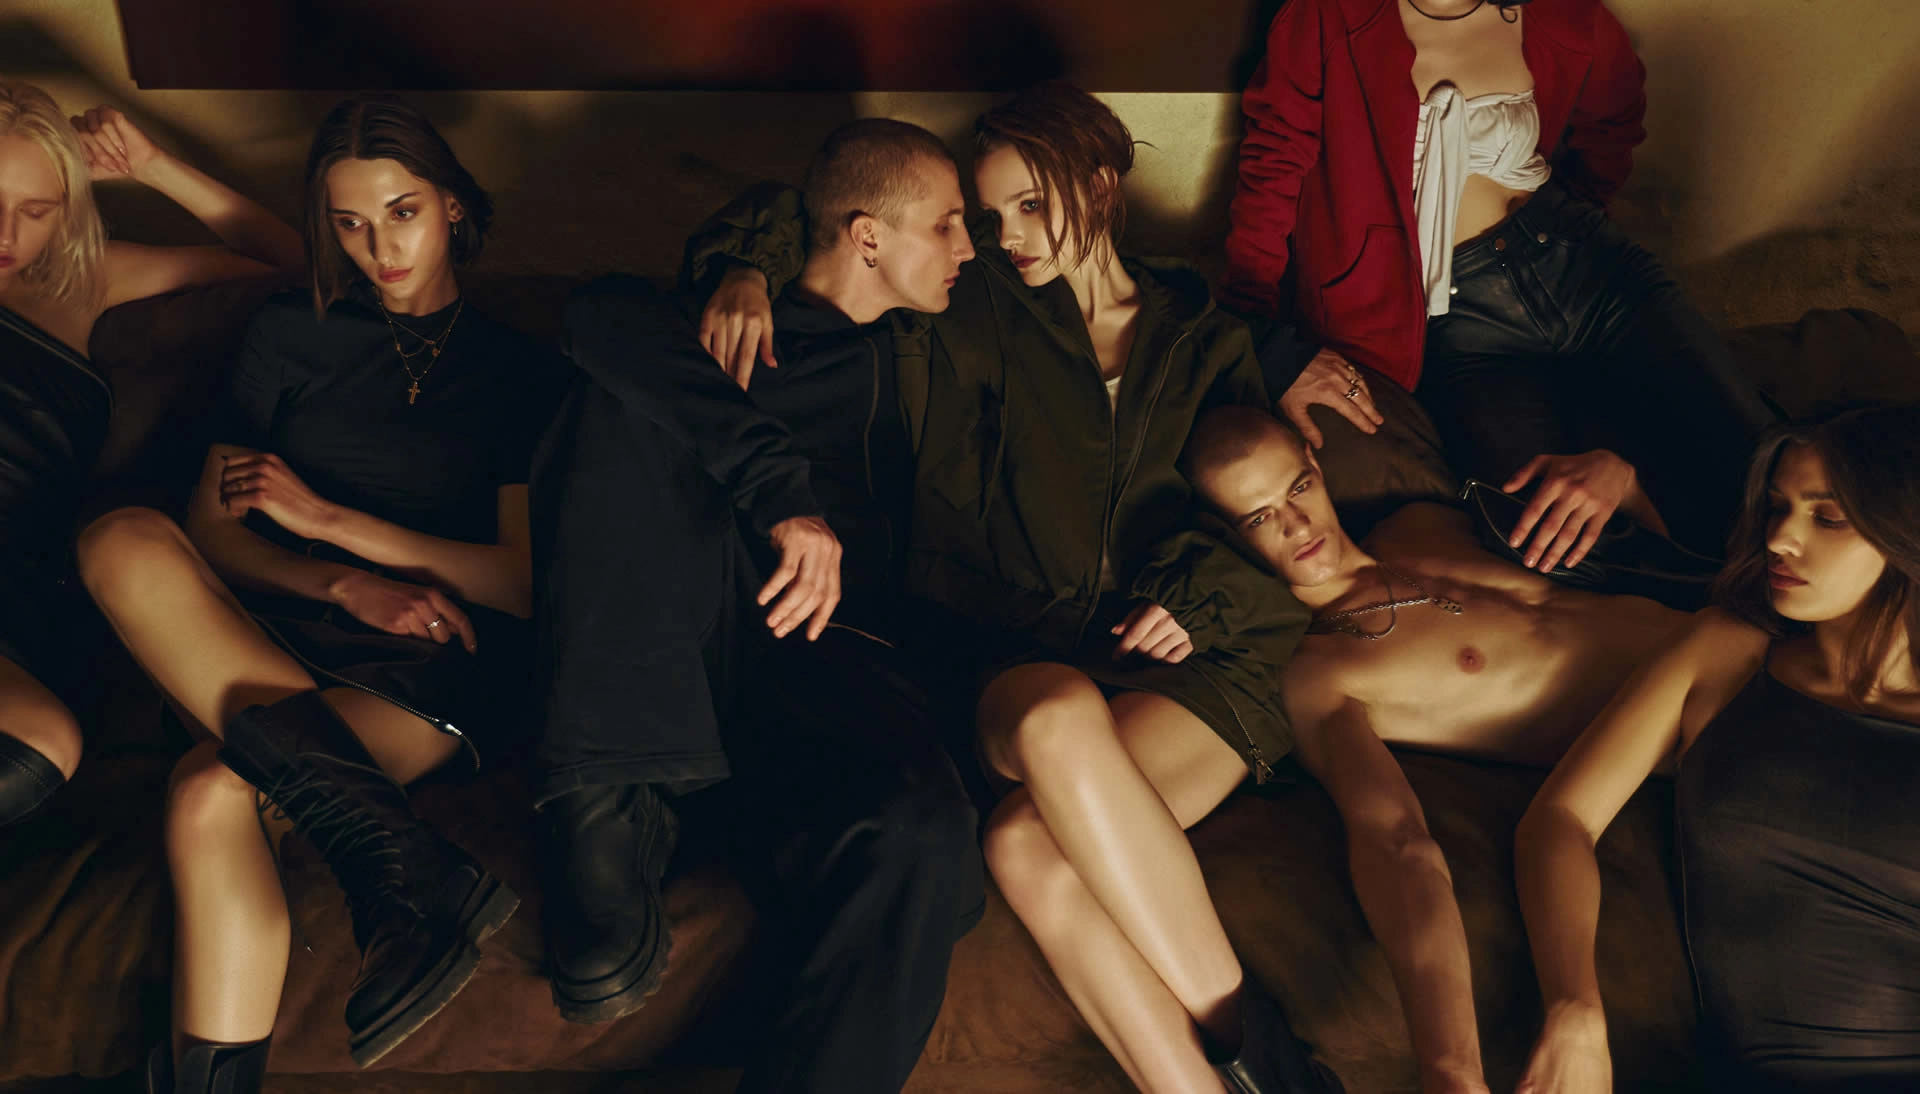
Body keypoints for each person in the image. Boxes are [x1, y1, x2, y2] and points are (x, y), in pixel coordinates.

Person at [692, 85, 1321, 1094]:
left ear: (1101, 187)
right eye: (988, 215)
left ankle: (1248, 1064)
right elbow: (830, 211)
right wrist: (743, 264)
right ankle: (1270, 1074)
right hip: (1019, 654)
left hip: (1190, 663)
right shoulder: (966, 307)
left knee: (1027, 845)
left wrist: (1196, 599)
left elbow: (1268, 518)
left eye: (1030, 206)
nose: (1006, 236)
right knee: (1048, 745)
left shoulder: (1207, 341)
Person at [74, 95, 564, 1091]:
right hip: (280, 625)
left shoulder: (523, 369)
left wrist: (336, 524)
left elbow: (515, 581)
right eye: (349, 223)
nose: (380, 248)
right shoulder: (290, 330)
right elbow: (216, 535)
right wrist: (340, 581)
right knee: (121, 537)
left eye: (402, 213)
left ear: (453, 205)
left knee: (212, 789)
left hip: (428, 659)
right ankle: (398, 860)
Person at [529, 117, 983, 1094]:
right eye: (947, 223)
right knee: (619, 392)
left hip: (823, 673)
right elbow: (598, 315)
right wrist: (782, 492)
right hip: (689, 667)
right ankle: (603, 805)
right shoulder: (727, 329)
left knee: (921, 831)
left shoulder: (921, 347)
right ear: (869, 237)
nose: (969, 246)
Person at [1180, 403, 1689, 1092]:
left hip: (1740, 636)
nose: (1297, 524)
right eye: (1259, 517)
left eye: (1298, 488)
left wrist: (1624, 485)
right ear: (1225, 535)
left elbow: (1645, 569)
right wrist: (1450, 1069)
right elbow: (1396, 844)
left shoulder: (1418, 521)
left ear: (1314, 459)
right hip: (1705, 739)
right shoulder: (1318, 671)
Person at [1223, 0, 1776, 573]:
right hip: (1464, 325)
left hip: (1586, 270)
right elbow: (1272, 170)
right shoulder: (1326, 17)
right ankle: (1694, 583)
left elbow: (1613, 125)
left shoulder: (1562, 15)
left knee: (1760, 466)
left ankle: (1766, 601)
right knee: (1539, 540)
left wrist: (1578, 215)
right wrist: (1259, 335)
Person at [1514, 403, 1920, 1093]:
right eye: (1778, 508)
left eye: (1827, 518)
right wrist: (1573, 1010)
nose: (1782, 539)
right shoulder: (1724, 656)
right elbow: (1560, 821)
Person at [0, 81, 303, 828]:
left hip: (23, 591)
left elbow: (301, 272)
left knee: (43, 741)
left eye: (36, 210)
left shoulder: (85, 281)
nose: (7, 232)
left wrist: (153, 166)